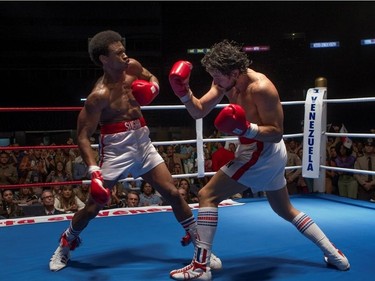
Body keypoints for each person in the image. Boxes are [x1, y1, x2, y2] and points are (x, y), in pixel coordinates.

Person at [168, 40, 350, 280]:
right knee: (285, 209)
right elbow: (199, 111)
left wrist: (245, 128)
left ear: (234, 72)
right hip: (260, 152)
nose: (216, 83)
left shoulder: (262, 88)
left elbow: (276, 132)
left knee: (206, 195)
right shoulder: (225, 81)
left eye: (218, 78)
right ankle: (334, 253)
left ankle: (201, 268)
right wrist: (184, 93)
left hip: (262, 152)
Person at [49, 30, 221, 272]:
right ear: (103, 60)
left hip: (142, 140)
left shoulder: (132, 67)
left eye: (124, 50)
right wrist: (94, 171)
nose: (125, 56)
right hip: (116, 148)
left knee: (173, 193)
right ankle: (65, 243)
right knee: (92, 207)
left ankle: (201, 247)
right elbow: (83, 136)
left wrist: (153, 89)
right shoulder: (98, 96)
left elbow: (152, 78)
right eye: (118, 53)